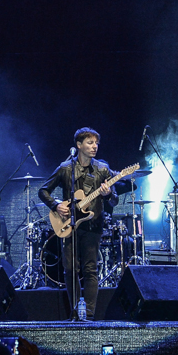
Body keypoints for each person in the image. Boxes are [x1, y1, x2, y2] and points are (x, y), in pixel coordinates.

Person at [39, 127, 118, 319]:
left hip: (93, 226)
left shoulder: (102, 169)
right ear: (79, 145)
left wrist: (108, 194)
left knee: (90, 269)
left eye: (96, 143)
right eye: (90, 143)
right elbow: (43, 191)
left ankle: (89, 315)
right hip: (69, 225)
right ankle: (75, 312)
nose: (94, 146)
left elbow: (114, 200)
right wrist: (56, 205)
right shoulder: (66, 168)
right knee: (70, 269)